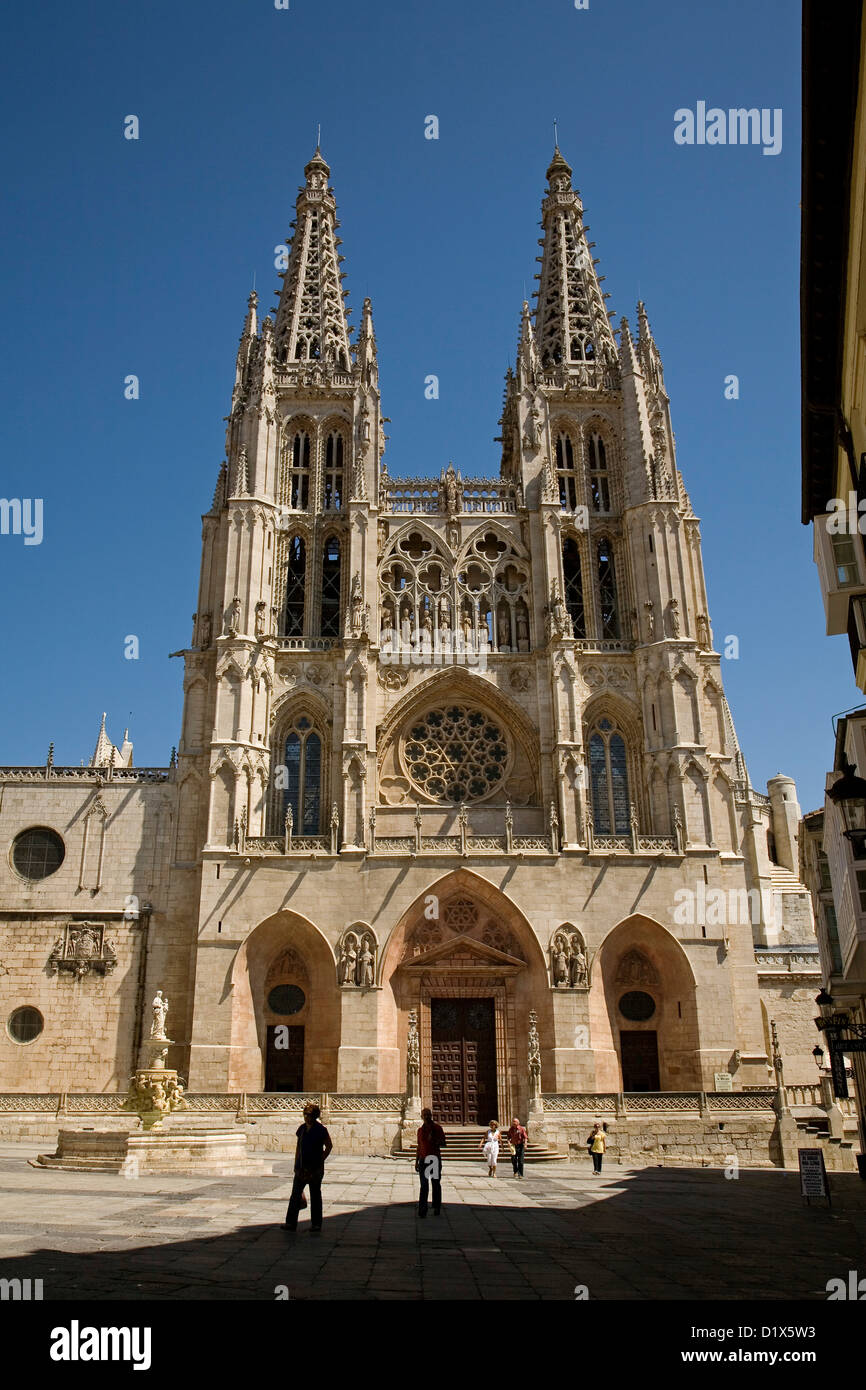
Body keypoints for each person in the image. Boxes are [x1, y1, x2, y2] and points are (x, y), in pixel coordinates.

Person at [284, 1101, 333, 1233]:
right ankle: (290, 1223)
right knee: (295, 1194)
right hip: (301, 1167)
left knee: (315, 1195)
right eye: (305, 1114)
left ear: (315, 1116)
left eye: (309, 1115)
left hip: (315, 1169)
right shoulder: (302, 1129)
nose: (307, 1117)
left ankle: (316, 1224)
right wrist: (296, 1164)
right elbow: (298, 1147)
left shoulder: (321, 1130)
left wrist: (321, 1159)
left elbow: (329, 1146)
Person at [416, 1107, 447, 1217]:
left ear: (431, 1115)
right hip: (423, 1160)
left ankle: (436, 1206)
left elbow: (444, 1143)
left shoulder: (437, 1128)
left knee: (435, 1183)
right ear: (422, 1116)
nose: (427, 1117)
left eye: (428, 1114)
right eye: (425, 1115)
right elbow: (419, 1146)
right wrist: (416, 1161)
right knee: (424, 1185)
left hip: (433, 1159)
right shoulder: (420, 1130)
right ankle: (423, 1208)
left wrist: (434, 1139)